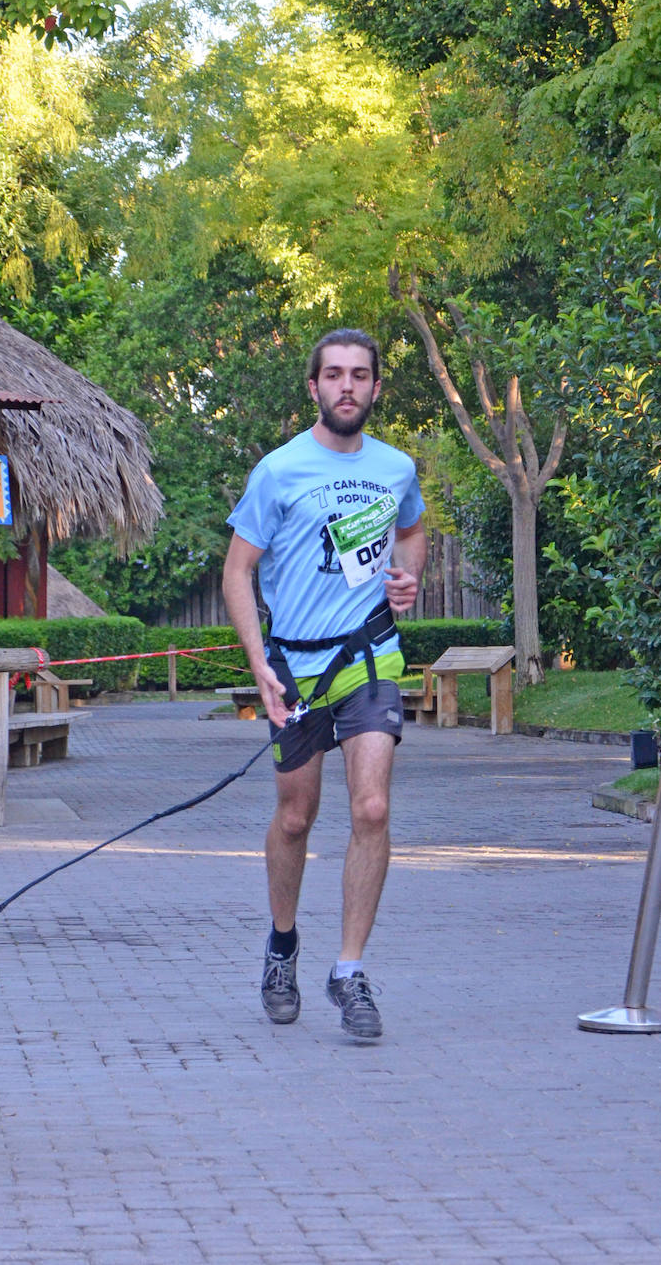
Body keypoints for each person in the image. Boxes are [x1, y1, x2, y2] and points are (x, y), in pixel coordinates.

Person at [222, 328, 427, 1040]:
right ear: (312, 387)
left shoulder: (396, 466)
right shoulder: (277, 471)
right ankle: (282, 946)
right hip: (295, 668)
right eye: (333, 375)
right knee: (294, 818)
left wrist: (408, 579)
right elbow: (236, 571)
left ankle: (349, 969)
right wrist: (258, 665)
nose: (347, 386)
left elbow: (412, 529)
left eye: (360, 375)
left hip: (370, 656)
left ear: (375, 388)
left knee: (370, 808)